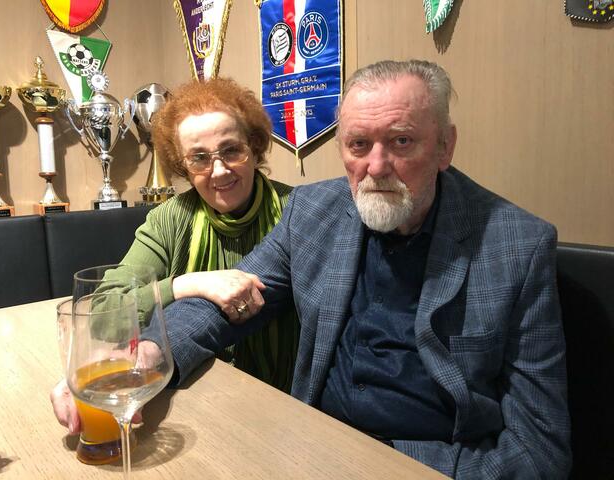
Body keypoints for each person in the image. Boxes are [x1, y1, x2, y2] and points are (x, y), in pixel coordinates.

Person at [142, 60, 572, 478]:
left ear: (445, 146)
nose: (377, 167)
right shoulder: (313, 212)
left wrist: (382, 463)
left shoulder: (517, 246)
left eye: (401, 141)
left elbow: (540, 451)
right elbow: (226, 300)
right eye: (359, 144)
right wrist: (150, 355)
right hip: (309, 451)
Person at [51, 78, 300, 432]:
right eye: (199, 158)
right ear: (182, 165)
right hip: (195, 400)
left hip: (287, 405)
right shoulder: (170, 219)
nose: (219, 170)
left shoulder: (297, 211)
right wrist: (186, 284)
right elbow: (103, 313)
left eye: (231, 150)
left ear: (255, 146)